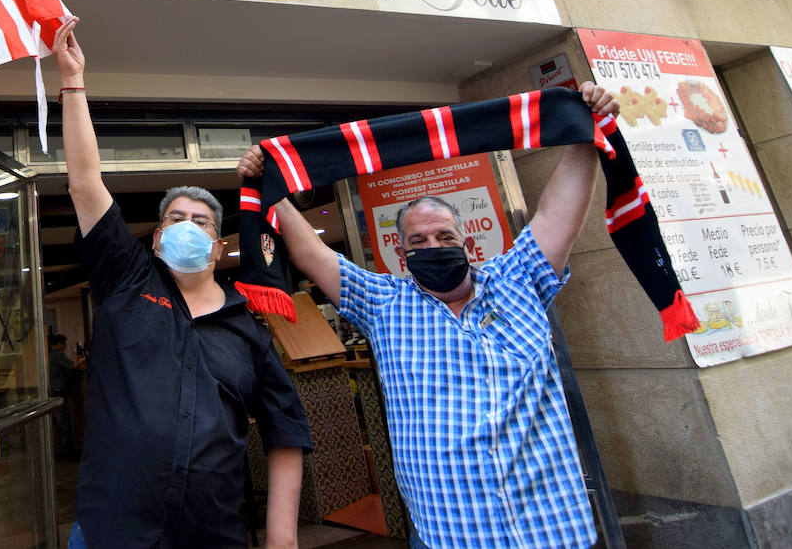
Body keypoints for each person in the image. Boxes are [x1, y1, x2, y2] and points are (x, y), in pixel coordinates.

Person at [238, 82, 618, 549]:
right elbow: (311, 252)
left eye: (443, 236)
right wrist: (269, 184)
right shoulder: (384, 305)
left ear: (468, 242)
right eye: (417, 242)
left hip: (551, 528)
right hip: (450, 533)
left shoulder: (519, 280)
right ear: (401, 253)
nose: (431, 247)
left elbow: (558, 210)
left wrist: (585, 127)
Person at [53, 17, 313, 549]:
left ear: (220, 248)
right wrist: (74, 82)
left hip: (212, 536)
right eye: (176, 218)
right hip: (111, 532)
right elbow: (84, 183)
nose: (188, 227)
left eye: (202, 222)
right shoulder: (126, 279)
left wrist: (282, 540)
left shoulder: (249, 330)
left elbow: (286, 429)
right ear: (156, 239)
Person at [48, 333, 82, 458]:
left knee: (61, 422)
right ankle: (69, 451)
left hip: (56, 391)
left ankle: (63, 449)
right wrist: (84, 360)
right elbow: (72, 365)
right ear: (58, 344)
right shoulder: (57, 355)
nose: (65, 346)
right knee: (64, 423)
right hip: (59, 392)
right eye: (64, 343)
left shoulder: (52, 355)